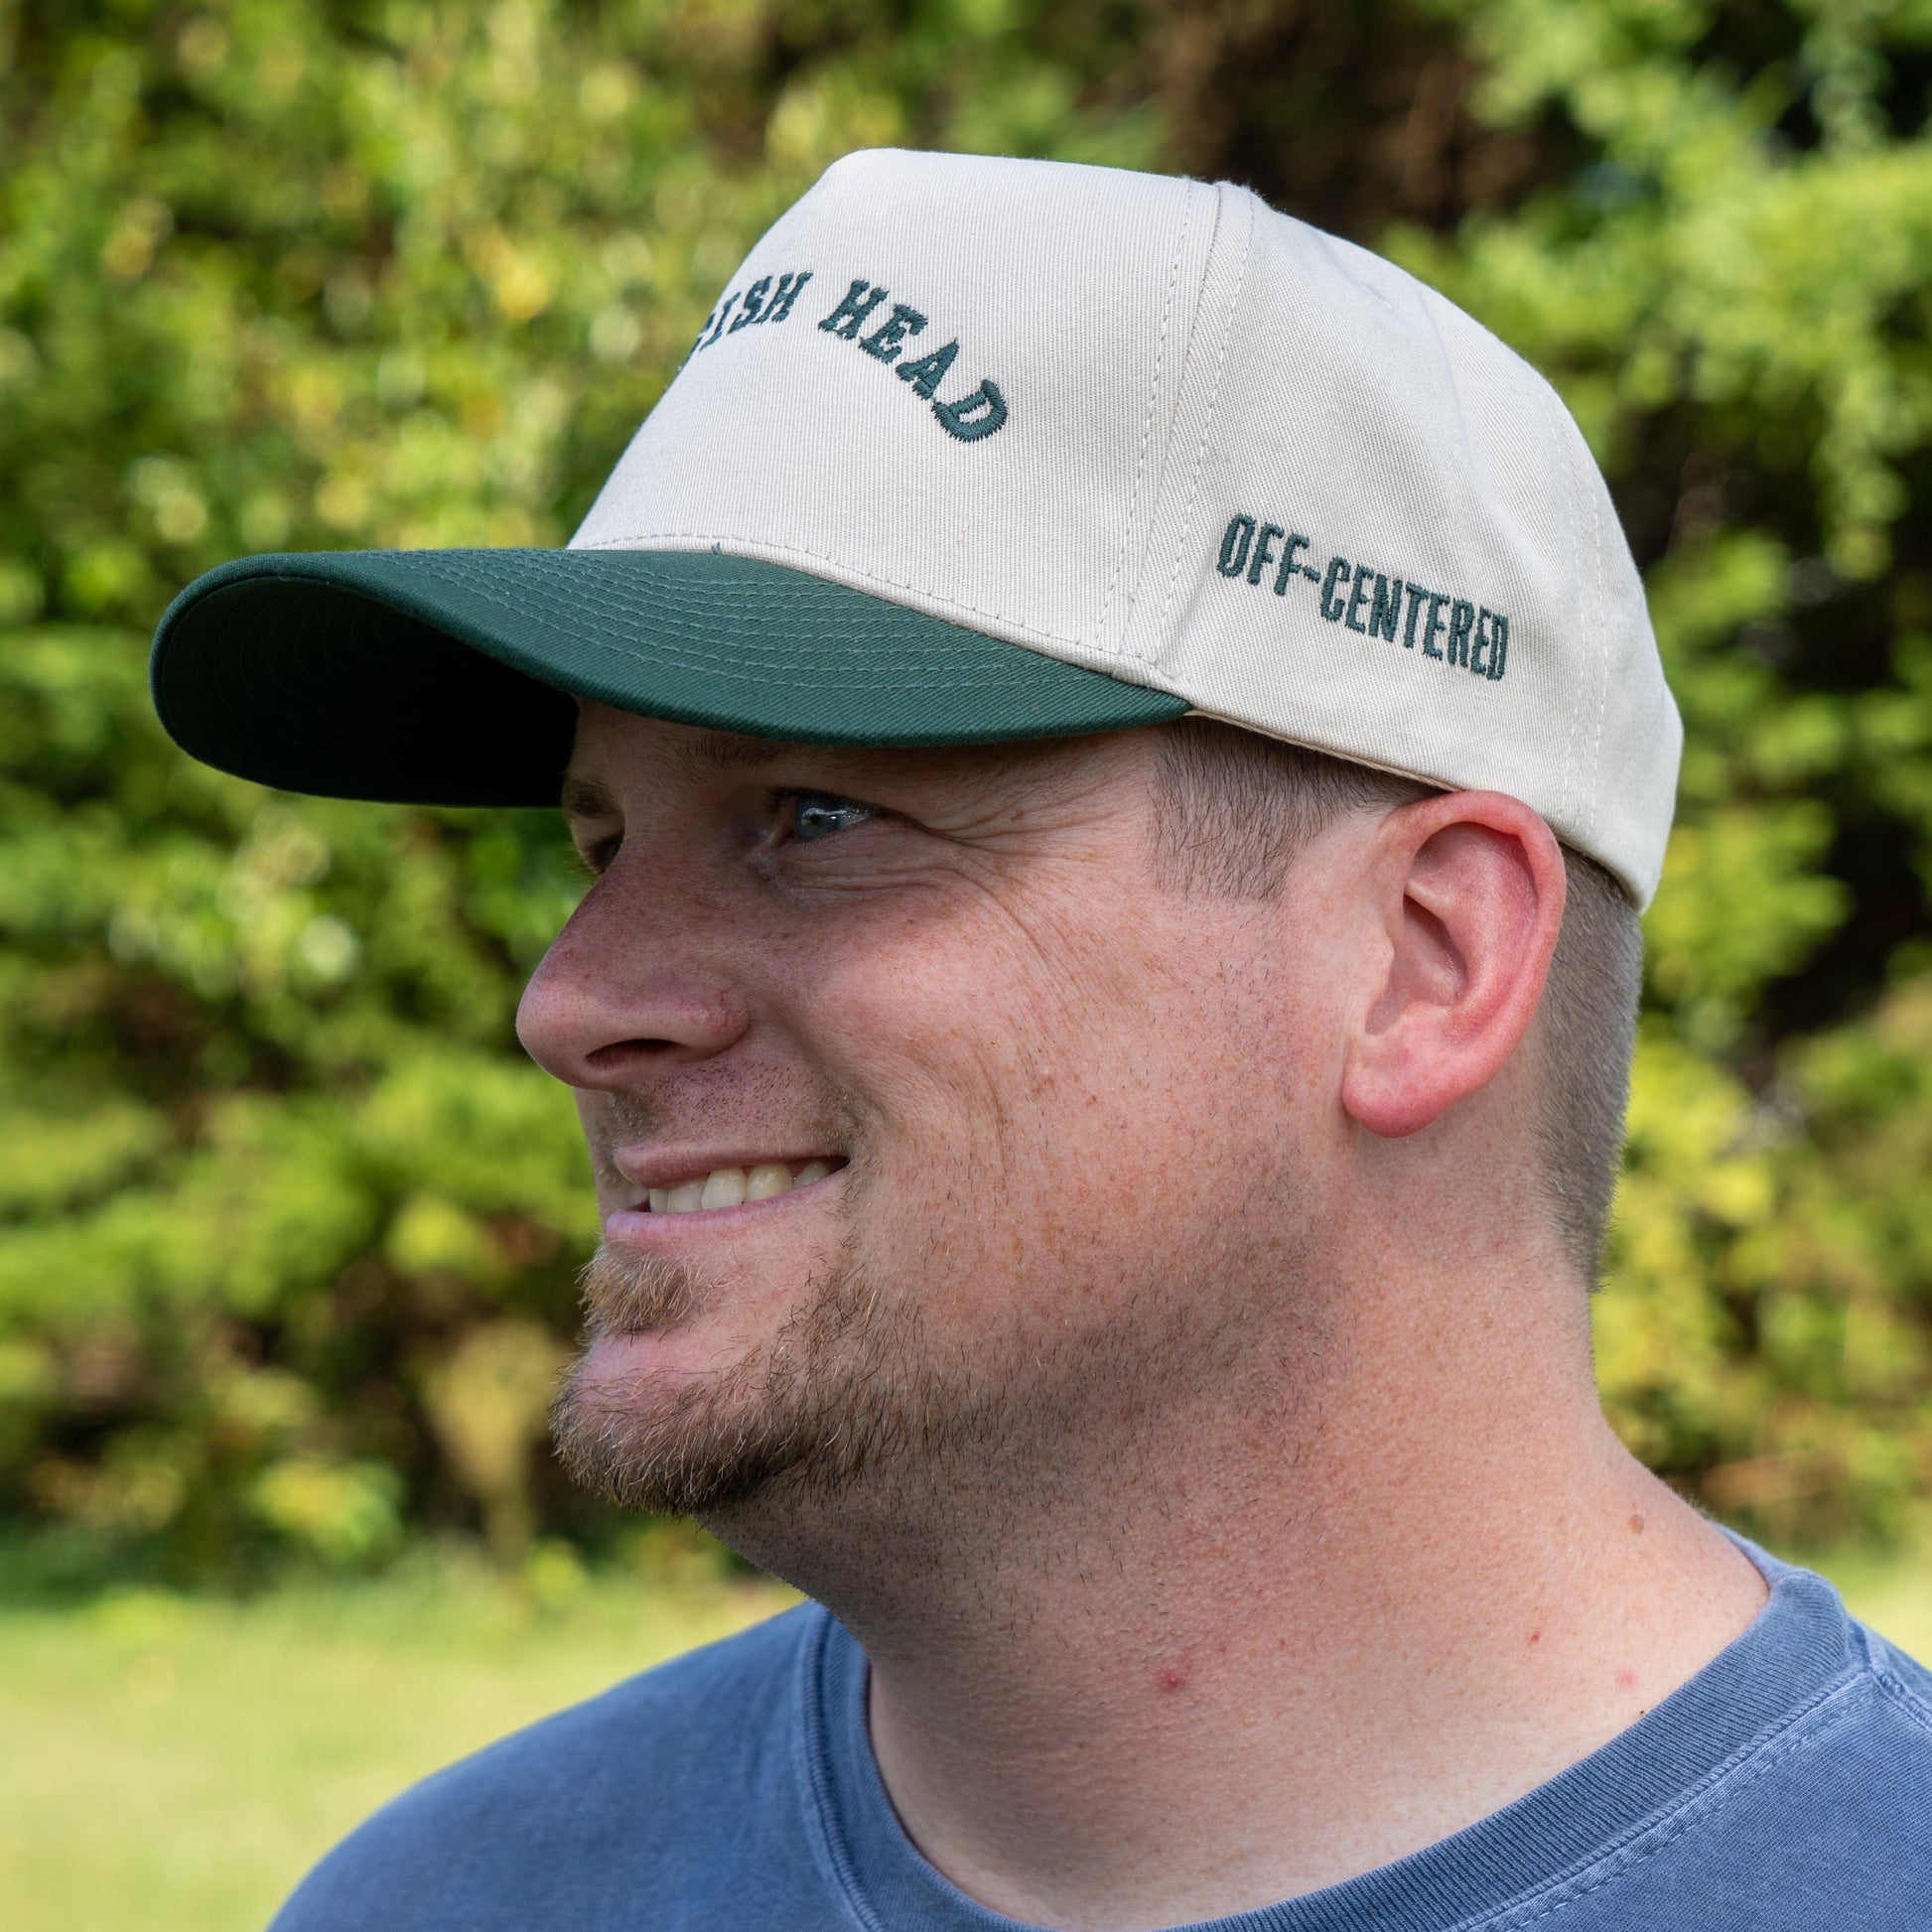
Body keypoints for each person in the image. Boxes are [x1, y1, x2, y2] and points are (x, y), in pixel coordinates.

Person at [151, 148, 1932, 1932]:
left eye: (814, 814)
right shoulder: (454, 1899)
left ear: (1421, 962)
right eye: (600, 840)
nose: (568, 1000)